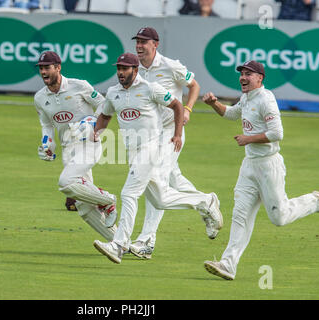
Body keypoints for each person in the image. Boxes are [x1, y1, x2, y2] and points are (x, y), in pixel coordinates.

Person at [202, 60, 319, 280]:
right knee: (240, 215)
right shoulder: (246, 98)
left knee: (279, 217)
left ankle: (316, 201)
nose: (243, 78)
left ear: (260, 78)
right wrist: (214, 103)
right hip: (249, 165)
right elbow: (231, 113)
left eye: (248, 74)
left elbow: (277, 133)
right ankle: (228, 264)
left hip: (269, 164)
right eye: (241, 74)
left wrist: (249, 138)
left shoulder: (266, 99)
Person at [92, 53, 223, 264]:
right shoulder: (113, 92)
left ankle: (119, 244)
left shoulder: (149, 88)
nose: (120, 73)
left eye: (125, 69)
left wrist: (178, 134)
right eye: (119, 68)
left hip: (151, 148)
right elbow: (106, 115)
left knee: (129, 193)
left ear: (135, 70)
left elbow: (177, 106)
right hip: (132, 151)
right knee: (160, 199)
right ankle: (204, 201)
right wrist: (96, 133)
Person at [128, 27, 220, 259]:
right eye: (137, 42)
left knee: (156, 181)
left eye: (143, 42)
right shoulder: (135, 70)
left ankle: (146, 241)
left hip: (172, 133)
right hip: (149, 136)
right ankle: (206, 202)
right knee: (173, 180)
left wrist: (187, 109)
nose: (139, 46)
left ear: (155, 44)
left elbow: (195, 86)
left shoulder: (170, 66)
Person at [34, 51, 117, 241]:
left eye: (47, 67)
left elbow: (104, 105)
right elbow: (47, 125)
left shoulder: (79, 86)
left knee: (66, 182)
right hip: (67, 149)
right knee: (84, 207)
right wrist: (48, 144)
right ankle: (119, 243)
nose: (44, 72)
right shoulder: (39, 97)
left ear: (58, 67)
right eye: (41, 68)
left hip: (88, 142)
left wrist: (92, 123)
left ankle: (108, 199)